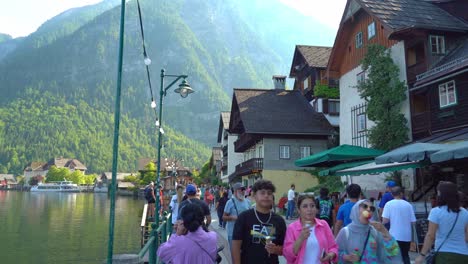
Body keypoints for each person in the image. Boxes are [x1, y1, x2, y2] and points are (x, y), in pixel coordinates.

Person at [232, 180, 287, 264]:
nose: (266, 196)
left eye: (269, 193)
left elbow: (285, 249)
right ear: (254, 195)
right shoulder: (244, 217)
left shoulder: (279, 221)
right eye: (262, 193)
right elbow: (236, 246)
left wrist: (276, 250)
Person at [415, 181, 468, 264]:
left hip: (444, 254)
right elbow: (467, 236)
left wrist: (422, 255)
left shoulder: (436, 212)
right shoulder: (464, 212)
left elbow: (431, 235)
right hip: (463, 254)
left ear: (441, 195)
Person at [336, 199, 401, 263]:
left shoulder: (375, 231)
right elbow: (335, 253)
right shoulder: (345, 232)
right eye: (365, 206)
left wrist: (385, 232)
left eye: (372, 208)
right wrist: (346, 257)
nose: (369, 209)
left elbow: (393, 252)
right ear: (356, 210)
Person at [283, 194, 338, 264]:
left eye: (312, 206)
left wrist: (330, 255)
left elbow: (333, 247)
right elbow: (288, 256)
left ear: (316, 209)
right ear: (299, 210)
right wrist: (300, 239)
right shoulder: (292, 228)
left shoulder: (323, 225)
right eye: (305, 206)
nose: (309, 209)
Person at [382, 186, 416, 264]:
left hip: (394, 235)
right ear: (401, 194)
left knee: (394, 257)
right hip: (407, 236)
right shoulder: (408, 205)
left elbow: (385, 220)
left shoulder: (388, 204)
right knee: (405, 255)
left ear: (392, 194)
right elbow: (413, 222)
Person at [223, 182, 251, 248]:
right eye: (241, 189)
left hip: (245, 232)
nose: (243, 191)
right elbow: (224, 217)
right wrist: (233, 217)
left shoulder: (248, 202)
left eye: (244, 189)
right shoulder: (230, 202)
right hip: (233, 233)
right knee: (234, 253)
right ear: (235, 191)